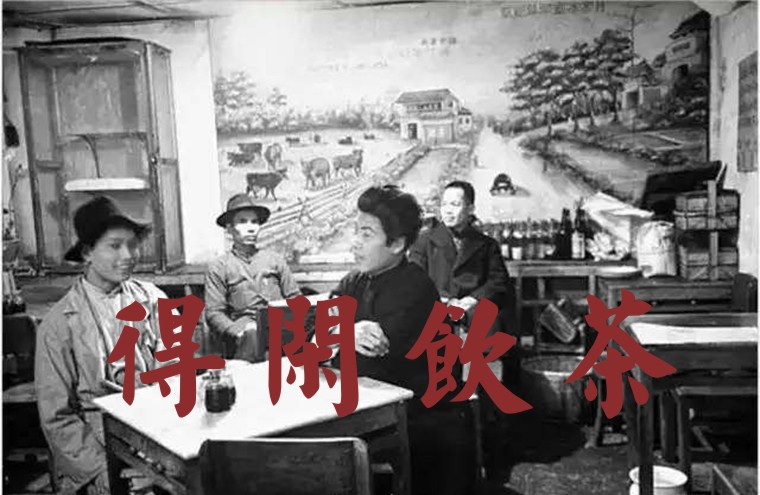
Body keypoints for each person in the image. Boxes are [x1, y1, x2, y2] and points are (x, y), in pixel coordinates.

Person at [330, 185, 473, 495]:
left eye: (366, 234)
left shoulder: (415, 288)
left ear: (396, 244)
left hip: (418, 417)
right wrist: (345, 333)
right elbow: (313, 325)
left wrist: (337, 337)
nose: (355, 242)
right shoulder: (355, 280)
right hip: (373, 404)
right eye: (356, 231)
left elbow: (370, 356)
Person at [35, 196, 168, 494]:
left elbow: (174, 380)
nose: (128, 255)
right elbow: (57, 418)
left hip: (158, 436)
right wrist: (108, 471)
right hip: (95, 449)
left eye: (132, 245)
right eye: (115, 246)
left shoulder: (155, 301)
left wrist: (160, 464)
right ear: (87, 253)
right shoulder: (58, 326)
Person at [205, 193, 301, 361]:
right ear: (229, 228)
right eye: (242, 222)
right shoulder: (220, 266)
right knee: (254, 340)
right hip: (247, 331)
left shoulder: (274, 260)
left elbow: (295, 298)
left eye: (254, 222)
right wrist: (237, 331)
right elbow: (214, 313)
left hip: (281, 326)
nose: (251, 228)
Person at [409, 180, 510, 327]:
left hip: (473, 312)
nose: (448, 210)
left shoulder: (487, 244)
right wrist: (444, 300)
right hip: (434, 311)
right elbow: (414, 281)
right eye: (444, 204)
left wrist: (472, 300)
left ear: (470, 209)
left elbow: (498, 281)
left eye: (455, 205)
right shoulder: (423, 241)